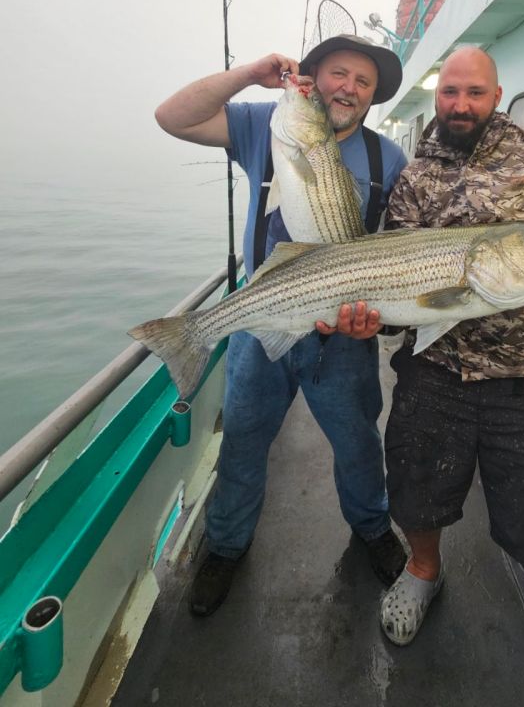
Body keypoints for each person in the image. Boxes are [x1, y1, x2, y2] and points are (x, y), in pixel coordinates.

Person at [329, 47, 524, 707]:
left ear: (497, 94)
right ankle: (424, 569)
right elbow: (396, 298)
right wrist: (368, 320)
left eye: (474, 92)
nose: (460, 104)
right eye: (450, 93)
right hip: (436, 372)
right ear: (437, 99)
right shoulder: (414, 179)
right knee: (415, 491)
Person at [155, 34, 409, 616]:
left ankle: (372, 528)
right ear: (312, 79)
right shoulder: (263, 126)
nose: (348, 88)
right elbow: (173, 117)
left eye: (363, 82)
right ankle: (225, 547)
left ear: (372, 97)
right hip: (262, 322)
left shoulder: (387, 158)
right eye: (338, 74)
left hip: (343, 336)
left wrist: (379, 320)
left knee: (359, 445)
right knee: (244, 441)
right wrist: (248, 73)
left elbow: (393, 251)